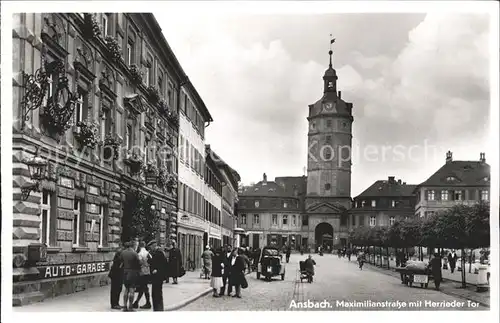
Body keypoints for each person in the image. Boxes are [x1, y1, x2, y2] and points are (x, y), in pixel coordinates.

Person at [120, 241, 141, 311]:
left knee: (126, 289)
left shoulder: (123, 252)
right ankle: (130, 307)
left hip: (125, 272)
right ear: (133, 246)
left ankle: (125, 306)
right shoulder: (134, 253)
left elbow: (120, 262)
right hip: (132, 273)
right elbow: (139, 263)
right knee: (132, 289)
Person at [148, 240, 167, 311]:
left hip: (158, 277)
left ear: (153, 246)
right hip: (156, 277)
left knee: (157, 293)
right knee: (155, 293)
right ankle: (157, 308)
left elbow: (163, 265)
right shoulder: (157, 253)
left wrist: (157, 270)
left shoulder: (159, 253)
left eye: (151, 247)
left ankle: (158, 309)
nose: (150, 249)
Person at [133, 241, 152, 309]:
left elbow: (139, 263)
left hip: (142, 273)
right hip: (147, 272)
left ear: (139, 246)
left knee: (144, 288)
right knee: (143, 288)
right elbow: (151, 261)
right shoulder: (148, 253)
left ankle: (147, 303)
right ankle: (136, 302)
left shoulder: (140, 254)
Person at [108, 243, 124, 310]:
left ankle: (116, 303)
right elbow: (118, 266)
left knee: (118, 289)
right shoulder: (120, 253)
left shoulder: (120, 252)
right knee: (115, 289)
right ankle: (114, 304)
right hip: (115, 274)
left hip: (117, 274)